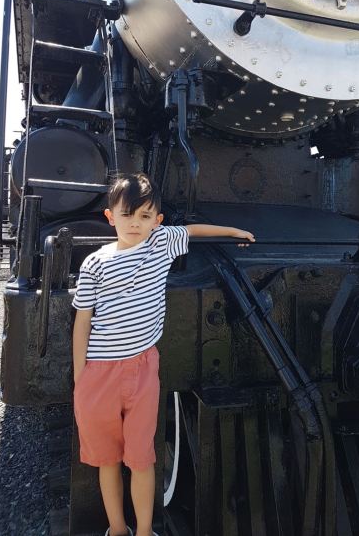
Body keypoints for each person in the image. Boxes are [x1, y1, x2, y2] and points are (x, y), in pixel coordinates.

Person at [72, 173, 255, 536]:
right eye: (127, 215)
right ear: (110, 217)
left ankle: (144, 531)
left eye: (144, 216)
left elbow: (194, 230)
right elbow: (83, 321)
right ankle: (117, 529)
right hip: (99, 373)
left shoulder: (161, 243)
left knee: (142, 458)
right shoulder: (94, 263)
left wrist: (233, 232)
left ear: (157, 220)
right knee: (107, 460)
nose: (135, 224)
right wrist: (81, 376)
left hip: (142, 367)